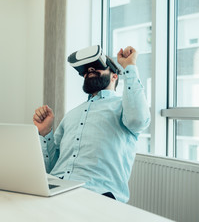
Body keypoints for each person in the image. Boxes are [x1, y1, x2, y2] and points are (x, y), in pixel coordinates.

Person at [33, 46, 150, 203]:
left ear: (114, 76)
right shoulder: (71, 115)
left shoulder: (124, 107)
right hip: (55, 190)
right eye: (86, 70)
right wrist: (45, 132)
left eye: (97, 66)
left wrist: (129, 66)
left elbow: (139, 120)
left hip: (97, 194)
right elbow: (51, 167)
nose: (89, 70)